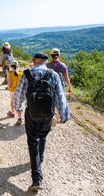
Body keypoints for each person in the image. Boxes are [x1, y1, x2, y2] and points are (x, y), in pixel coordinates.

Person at [14, 52, 69, 191]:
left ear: (34, 61)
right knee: (43, 136)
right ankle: (41, 158)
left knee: (33, 142)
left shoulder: (26, 74)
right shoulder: (53, 74)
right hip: (48, 115)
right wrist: (63, 115)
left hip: (31, 114)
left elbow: (18, 94)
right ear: (45, 62)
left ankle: (37, 178)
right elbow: (60, 97)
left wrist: (18, 108)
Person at [46, 48, 72, 126]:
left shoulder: (48, 65)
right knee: (59, 101)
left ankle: (52, 116)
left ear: (51, 56)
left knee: (51, 101)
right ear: (59, 55)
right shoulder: (63, 66)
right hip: (60, 87)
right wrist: (69, 87)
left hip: (50, 86)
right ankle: (58, 118)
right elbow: (66, 78)